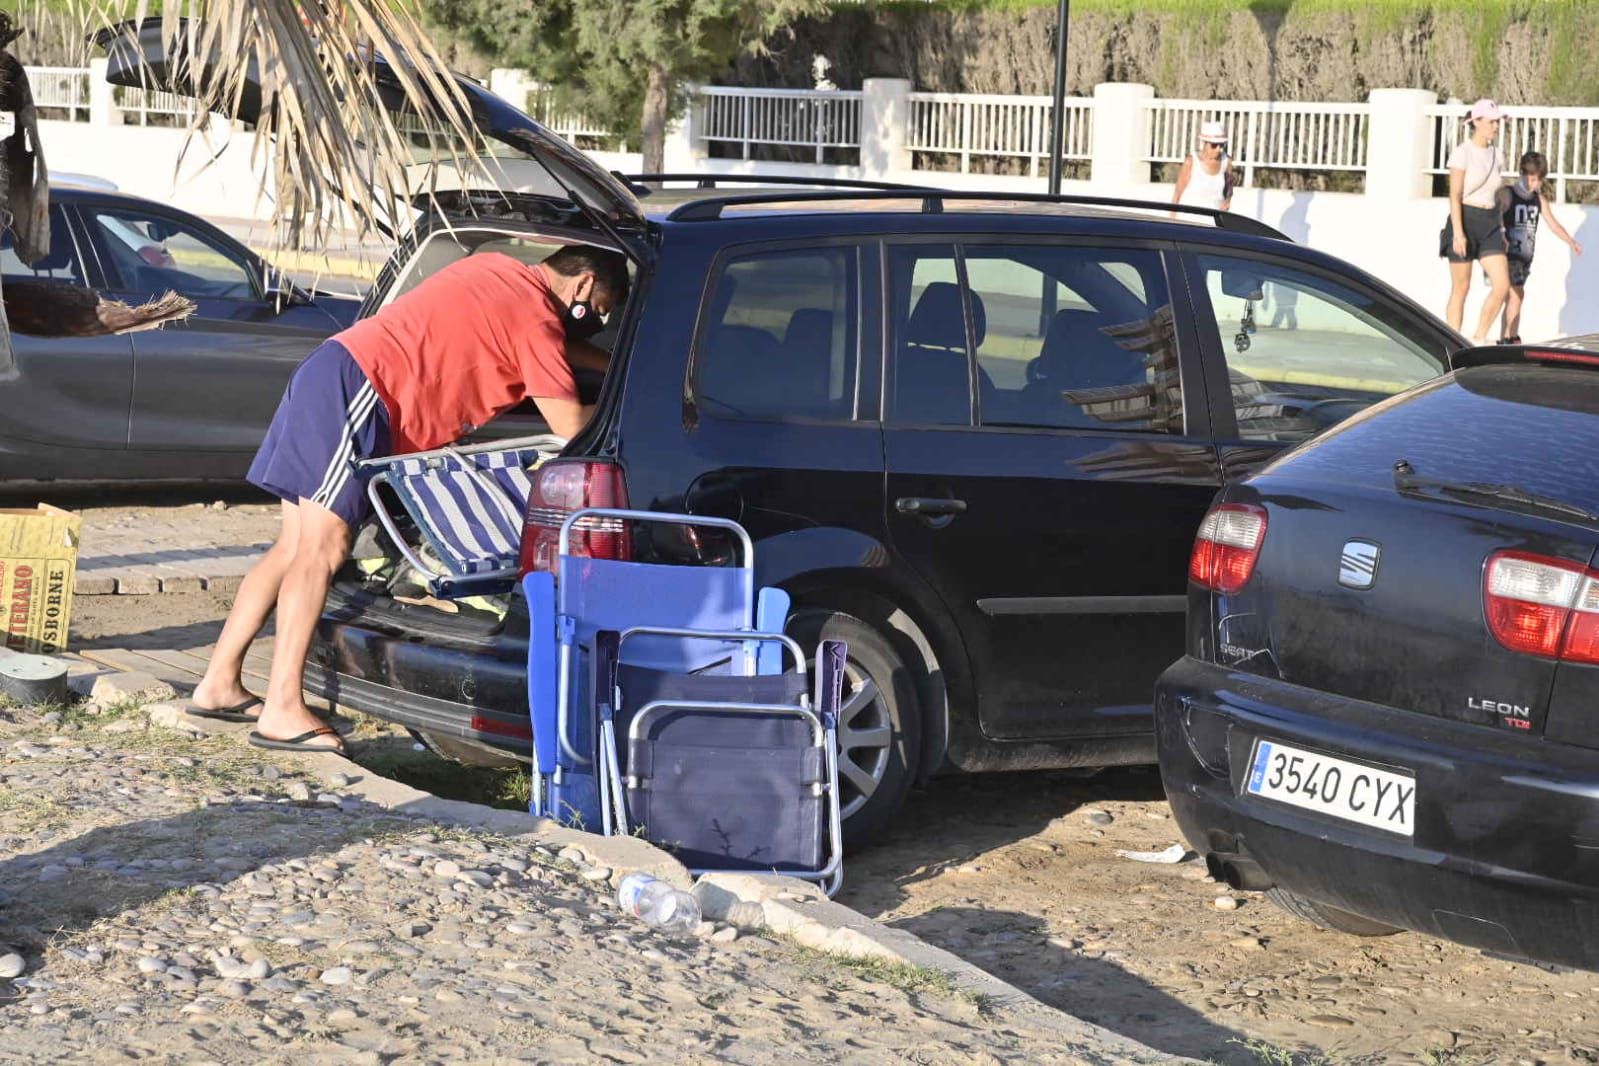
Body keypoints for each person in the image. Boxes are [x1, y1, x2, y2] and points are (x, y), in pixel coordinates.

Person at [188, 244, 630, 754]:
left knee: (292, 548)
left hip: (334, 374)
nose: (598, 319)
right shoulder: (537, 321)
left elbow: (548, 345)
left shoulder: (498, 268)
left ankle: (219, 682)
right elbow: (570, 426)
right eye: (601, 308)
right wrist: (621, 402)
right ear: (581, 285)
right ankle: (283, 706)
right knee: (324, 549)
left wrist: (614, 363)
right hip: (360, 391)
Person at [1495, 150, 1582, 343]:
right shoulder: (1507, 194)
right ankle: (1509, 337)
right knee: (1516, 294)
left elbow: (1553, 224)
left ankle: (1507, 336)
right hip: (1509, 255)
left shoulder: (1538, 200)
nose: (1535, 184)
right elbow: (1495, 216)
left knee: (1514, 296)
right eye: (1532, 179)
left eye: (1539, 180)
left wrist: (1570, 241)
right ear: (1522, 174)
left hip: (1525, 258)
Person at [1441, 99, 1510, 343]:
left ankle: (1478, 338)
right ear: (1477, 122)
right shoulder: (1463, 153)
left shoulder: (1498, 156)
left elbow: (1497, 194)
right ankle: (1451, 342)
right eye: (1492, 121)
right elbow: (1455, 194)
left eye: (1498, 121)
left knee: (1502, 285)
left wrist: (1502, 229)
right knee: (1462, 287)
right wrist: (1458, 233)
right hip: (1465, 219)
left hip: (1490, 222)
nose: (1496, 126)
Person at [1172, 120, 1235, 214]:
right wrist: (1173, 217)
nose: (1218, 149)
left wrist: (1227, 201)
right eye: (1214, 145)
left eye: (1221, 145)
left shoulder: (1226, 162)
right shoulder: (1191, 161)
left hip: (1213, 220)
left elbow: (1229, 187)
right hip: (1188, 218)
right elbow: (1177, 193)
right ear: (1204, 144)